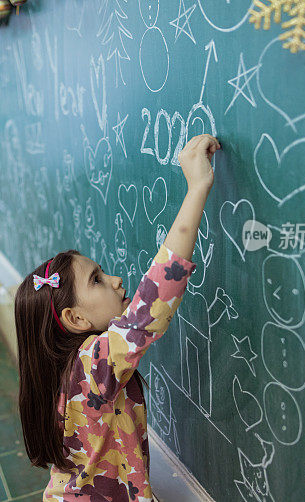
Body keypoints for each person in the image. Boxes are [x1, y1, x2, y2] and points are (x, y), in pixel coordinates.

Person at [14, 134, 221, 500]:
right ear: (75, 319)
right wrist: (197, 188)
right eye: (97, 280)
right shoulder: (92, 368)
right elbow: (154, 301)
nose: (116, 280)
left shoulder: (60, 370)